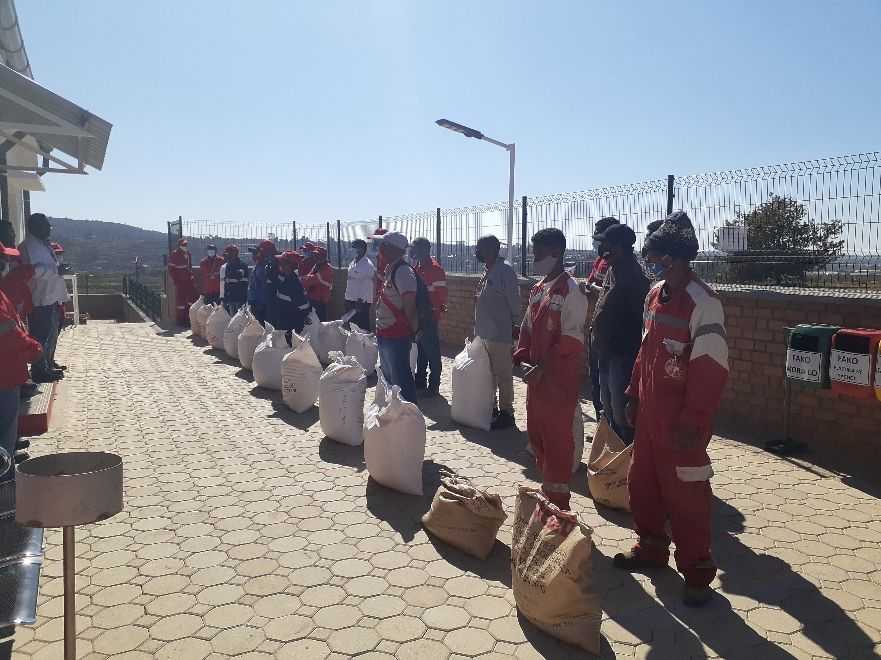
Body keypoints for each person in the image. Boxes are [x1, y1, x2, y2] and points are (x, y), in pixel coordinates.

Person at [613, 211, 729, 608]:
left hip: (682, 422)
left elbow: (710, 368)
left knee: (687, 495)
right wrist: (632, 395)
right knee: (642, 482)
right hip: (649, 414)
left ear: (678, 258)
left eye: (658, 255)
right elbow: (646, 351)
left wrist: (692, 418)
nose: (652, 260)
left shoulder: (704, 302)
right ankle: (650, 548)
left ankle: (697, 573)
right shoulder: (653, 293)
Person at [513, 228, 588, 510]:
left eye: (539, 253)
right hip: (537, 378)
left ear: (556, 253)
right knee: (537, 435)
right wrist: (522, 357)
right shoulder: (538, 288)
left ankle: (560, 504)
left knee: (557, 440)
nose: (534, 258)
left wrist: (544, 367)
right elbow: (528, 328)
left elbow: (572, 338)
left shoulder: (571, 290)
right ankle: (548, 488)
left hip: (558, 378)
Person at [590, 223, 650, 445]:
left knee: (621, 413)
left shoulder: (634, 276)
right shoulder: (613, 270)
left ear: (620, 246)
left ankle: (630, 459)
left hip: (623, 355)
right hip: (606, 352)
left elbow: (642, 320)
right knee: (608, 407)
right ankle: (616, 459)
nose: (601, 248)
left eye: (606, 244)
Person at [0, 241, 43, 483]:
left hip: (7, 366)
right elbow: (6, 329)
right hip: (4, 371)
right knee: (5, 429)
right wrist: (32, 349)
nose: (6, 264)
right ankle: (5, 486)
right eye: (3, 260)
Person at [474, 235, 522, 430]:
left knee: (503, 374)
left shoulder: (505, 271)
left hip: (499, 334)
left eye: (479, 247)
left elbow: (514, 302)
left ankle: (507, 413)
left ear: (491, 249)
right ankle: (492, 407)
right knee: (488, 373)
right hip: (484, 333)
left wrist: (517, 326)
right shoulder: (487, 270)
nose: (476, 251)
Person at [19, 213, 70, 383]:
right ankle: (39, 372)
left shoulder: (42, 245)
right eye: (45, 225)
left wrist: (58, 267)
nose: (49, 228)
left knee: (48, 335)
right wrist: (56, 271)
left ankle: (46, 366)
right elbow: (34, 270)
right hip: (40, 298)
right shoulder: (28, 247)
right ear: (35, 227)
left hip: (51, 297)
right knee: (40, 336)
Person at [374, 232, 420, 403]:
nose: (380, 250)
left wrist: (414, 331)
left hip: (397, 335)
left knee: (401, 381)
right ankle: (395, 416)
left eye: (382, 246)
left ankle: (409, 415)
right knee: (389, 378)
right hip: (385, 333)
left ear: (391, 248)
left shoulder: (403, 272)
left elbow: (409, 305)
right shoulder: (390, 269)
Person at [583, 217, 619, 419]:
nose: (596, 242)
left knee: (609, 384)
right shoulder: (600, 261)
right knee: (595, 378)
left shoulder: (616, 265)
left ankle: (611, 432)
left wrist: (594, 289)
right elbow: (591, 287)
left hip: (611, 335)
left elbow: (607, 293)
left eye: (600, 238)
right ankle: (601, 426)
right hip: (596, 328)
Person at [410, 238, 447, 397]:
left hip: (428, 315)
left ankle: (434, 384)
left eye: (415, 248)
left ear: (425, 249)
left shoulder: (434, 268)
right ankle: (420, 380)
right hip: (417, 314)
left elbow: (442, 294)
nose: (412, 251)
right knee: (421, 349)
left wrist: (436, 309)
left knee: (432, 350)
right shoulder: (416, 266)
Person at [274, 250, 312, 344]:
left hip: (291, 321)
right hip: (284, 318)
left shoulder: (293, 282)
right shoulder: (286, 277)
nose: (280, 264)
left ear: (290, 265)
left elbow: (302, 304)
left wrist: (304, 317)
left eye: (283, 262)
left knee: (290, 344)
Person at [344, 239, 375, 331]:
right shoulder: (352, 263)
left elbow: (367, 284)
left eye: (354, 247)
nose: (352, 249)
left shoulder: (367, 265)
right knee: (352, 325)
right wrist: (347, 299)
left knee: (362, 326)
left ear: (362, 250)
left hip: (360, 302)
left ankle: (366, 344)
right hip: (351, 299)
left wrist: (360, 301)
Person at [168, 237, 198, 327]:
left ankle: (188, 318)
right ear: (179, 245)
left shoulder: (188, 254)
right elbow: (171, 269)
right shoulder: (174, 254)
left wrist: (191, 277)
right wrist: (177, 281)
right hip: (181, 282)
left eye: (186, 244)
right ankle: (180, 319)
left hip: (189, 281)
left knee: (192, 299)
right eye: (183, 245)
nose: (185, 246)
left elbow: (189, 268)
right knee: (181, 301)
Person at [249, 240, 277, 326]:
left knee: (262, 326)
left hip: (260, 303)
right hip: (254, 300)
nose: (253, 255)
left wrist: (260, 303)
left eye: (255, 253)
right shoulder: (257, 266)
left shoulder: (263, 267)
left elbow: (264, 287)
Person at [302, 246, 334, 321]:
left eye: (318, 255)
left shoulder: (327, 268)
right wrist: (307, 279)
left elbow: (311, 280)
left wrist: (307, 279)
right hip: (313, 296)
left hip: (320, 299)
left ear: (323, 256)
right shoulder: (317, 265)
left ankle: (323, 332)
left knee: (320, 319)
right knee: (313, 320)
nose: (316, 256)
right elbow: (308, 278)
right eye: (315, 254)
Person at [220, 244, 249, 316]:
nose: (227, 255)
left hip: (239, 296)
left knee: (240, 318)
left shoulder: (242, 265)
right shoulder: (228, 265)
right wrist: (224, 297)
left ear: (234, 254)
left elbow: (238, 276)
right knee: (233, 318)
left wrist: (232, 268)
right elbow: (226, 281)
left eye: (229, 253)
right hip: (230, 296)